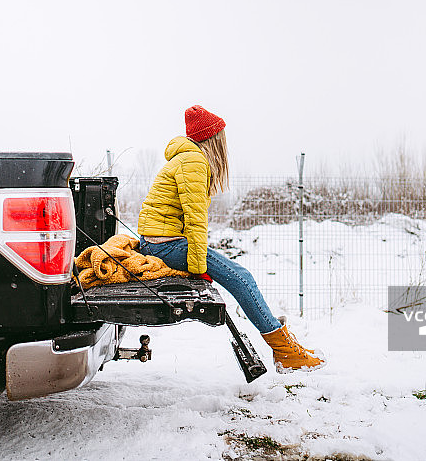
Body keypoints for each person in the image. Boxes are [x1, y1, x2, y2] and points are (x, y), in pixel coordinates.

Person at [137, 105, 325, 373]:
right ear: (212, 140)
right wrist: (198, 266)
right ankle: (286, 353)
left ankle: (286, 348)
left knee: (239, 275)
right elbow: (195, 219)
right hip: (165, 245)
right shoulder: (193, 161)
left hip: (162, 242)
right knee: (241, 277)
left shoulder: (185, 158)